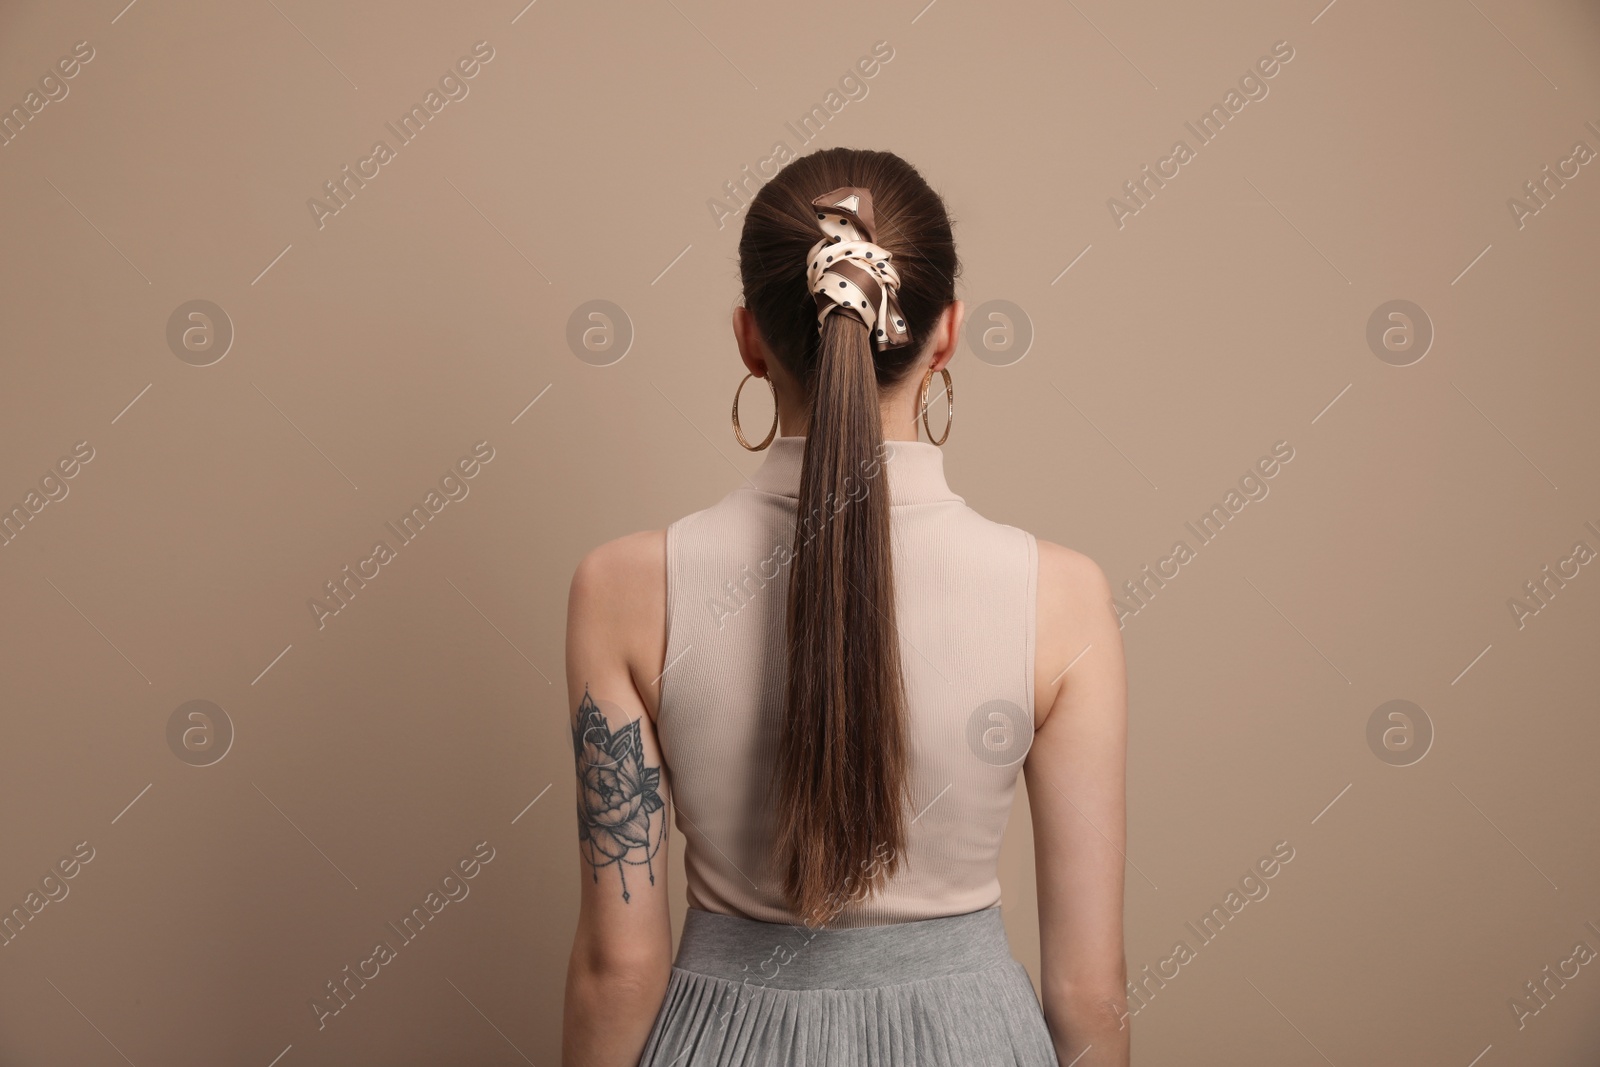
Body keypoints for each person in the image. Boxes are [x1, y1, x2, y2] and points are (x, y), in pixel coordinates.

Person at [562, 147, 1129, 1066]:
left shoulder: (623, 587)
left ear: (750, 337)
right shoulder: (1063, 596)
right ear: (945, 334)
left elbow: (618, 972)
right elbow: (1089, 991)